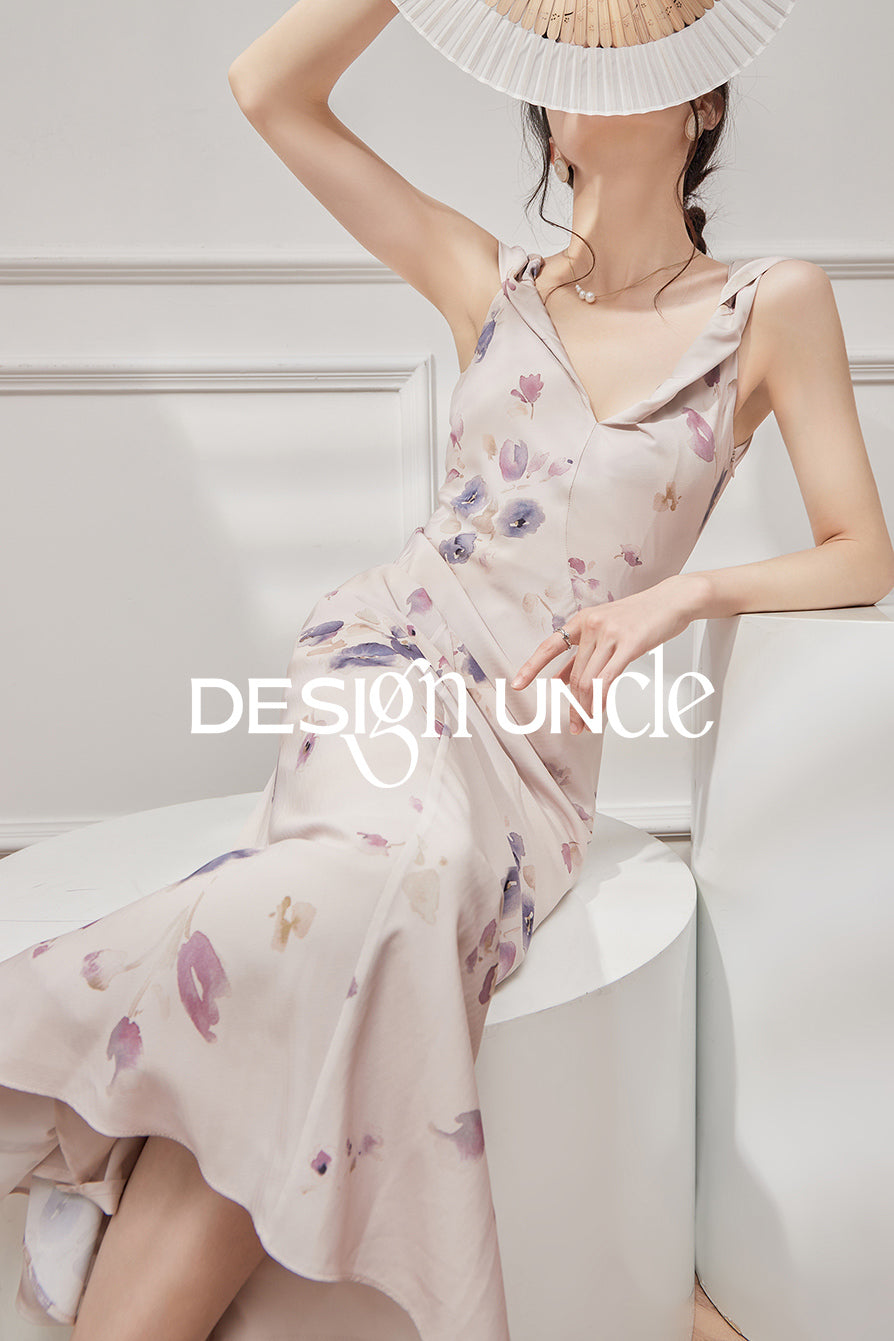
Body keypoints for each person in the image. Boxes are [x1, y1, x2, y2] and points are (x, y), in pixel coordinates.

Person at [2, 2, 892, 1340]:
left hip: (531, 756)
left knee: (375, 910)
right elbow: (268, 89)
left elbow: (859, 550)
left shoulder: (769, 306)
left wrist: (686, 593)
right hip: (386, 659)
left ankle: (113, 1147)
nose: (583, 75)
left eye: (621, 52)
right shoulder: (489, 280)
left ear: (698, 103)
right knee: (395, 876)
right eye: (568, 54)